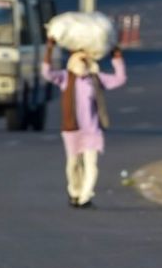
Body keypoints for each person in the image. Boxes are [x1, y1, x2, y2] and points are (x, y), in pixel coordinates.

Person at [41, 38, 127, 208]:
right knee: (73, 164)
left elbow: (120, 79)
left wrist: (116, 57)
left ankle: (85, 197)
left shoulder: (96, 79)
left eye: (85, 60)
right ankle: (74, 191)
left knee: (91, 165)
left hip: (92, 130)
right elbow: (47, 73)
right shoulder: (66, 78)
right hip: (71, 130)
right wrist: (49, 49)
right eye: (79, 60)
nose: (82, 64)